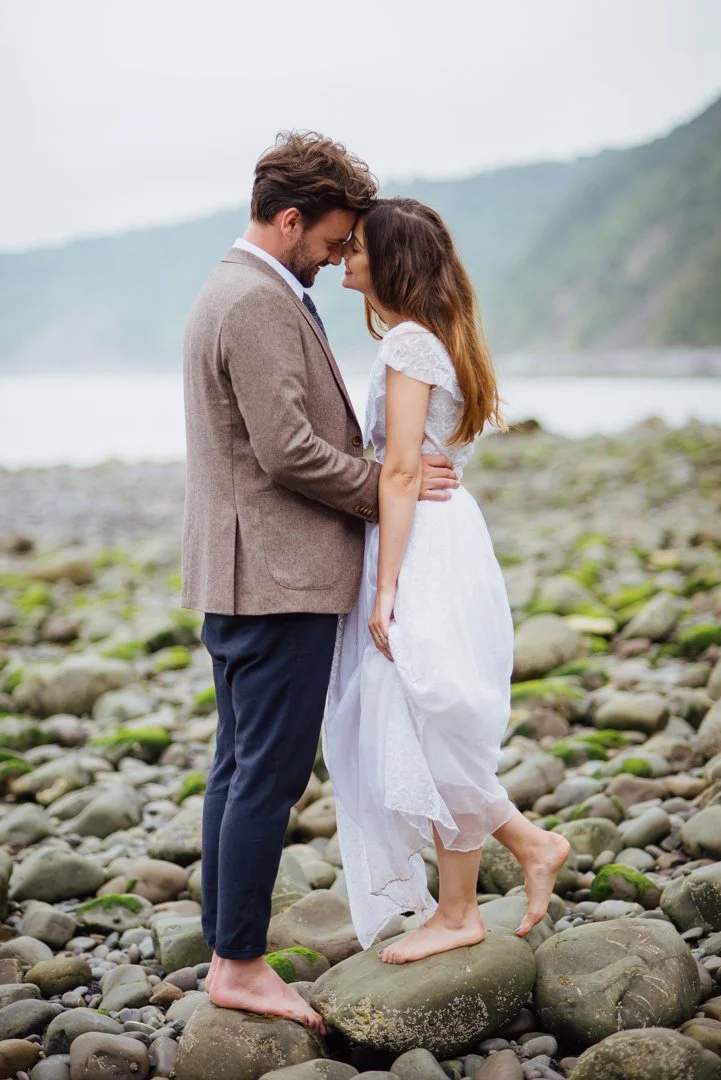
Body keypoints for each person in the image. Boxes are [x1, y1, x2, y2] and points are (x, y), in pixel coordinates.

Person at [180, 135, 460, 1030]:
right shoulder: (255, 300)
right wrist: (390, 487)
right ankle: (240, 963)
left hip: (246, 572)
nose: (343, 255)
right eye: (336, 239)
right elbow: (287, 450)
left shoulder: (239, 289)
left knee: (237, 767)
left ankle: (229, 949)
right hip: (275, 575)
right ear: (291, 218)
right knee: (264, 773)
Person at [322, 197, 571, 965]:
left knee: (422, 708)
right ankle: (524, 848)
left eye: (357, 247)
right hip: (447, 530)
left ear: (390, 260)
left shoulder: (407, 341)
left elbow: (399, 470)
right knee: (422, 711)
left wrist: (387, 587)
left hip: (420, 543)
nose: (343, 257)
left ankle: (462, 909)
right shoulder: (439, 337)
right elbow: (408, 463)